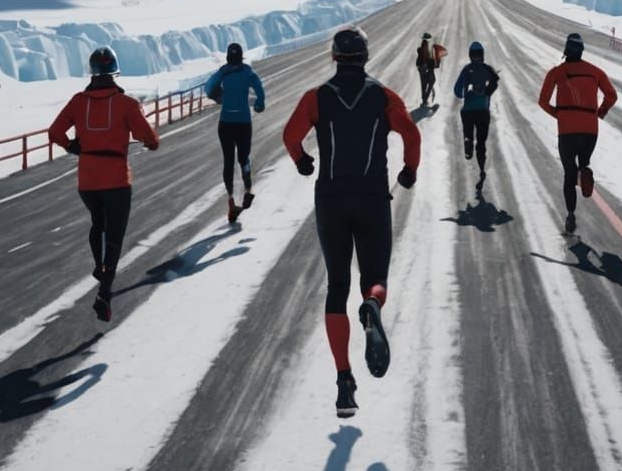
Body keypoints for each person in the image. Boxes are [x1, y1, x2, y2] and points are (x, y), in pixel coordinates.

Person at [284, 26, 422, 418]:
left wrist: (303, 160)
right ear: (366, 56)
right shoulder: (384, 97)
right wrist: (409, 170)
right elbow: (411, 136)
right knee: (374, 277)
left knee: (336, 286)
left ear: (333, 57)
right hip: (373, 197)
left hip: (330, 200)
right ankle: (372, 305)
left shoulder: (315, 98)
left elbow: (290, 136)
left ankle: (344, 383)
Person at [49, 46, 160, 322]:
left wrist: (73, 146)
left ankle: (99, 266)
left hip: (87, 180)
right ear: (115, 72)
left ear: (92, 72)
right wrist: (150, 143)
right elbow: (149, 136)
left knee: (97, 223)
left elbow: (54, 132)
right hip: (116, 180)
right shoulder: (126, 104)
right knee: (114, 236)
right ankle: (104, 293)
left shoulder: (78, 102)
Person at [537, 31, 617, 236]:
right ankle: (585, 169)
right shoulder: (595, 71)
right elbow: (611, 95)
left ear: (565, 50)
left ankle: (571, 214)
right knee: (583, 161)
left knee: (568, 174)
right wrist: (601, 111)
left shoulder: (556, 72)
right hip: (590, 129)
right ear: (581, 51)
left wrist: (558, 114)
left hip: (567, 130)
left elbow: (542, 101)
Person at [204, 42, 265, 223]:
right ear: (241, 56)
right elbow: (260, 90)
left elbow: (208, 88)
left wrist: (219, 96)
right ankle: (247, 190)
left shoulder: (223, 72)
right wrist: (260, 104)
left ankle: (231, 200)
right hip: (243, 122)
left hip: (225, 123)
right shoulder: (247, 72)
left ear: (228, 57)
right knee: (244, 158)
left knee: (228, 161)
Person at [452, 41, 500, 190]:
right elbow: (495, 82)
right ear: (482, 54)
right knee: (481, 143)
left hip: (467, 111)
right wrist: (485, 92)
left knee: (469, 133)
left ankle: (468, 139)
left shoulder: (466, 70)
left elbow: (457, 91)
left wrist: (467, 92)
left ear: (470, 55)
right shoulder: (488, 69)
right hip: (483, 111)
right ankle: (481, 168)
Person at [414, 32, 447, 108]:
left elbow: (421, 60)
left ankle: (424, 100)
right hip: (425, 68)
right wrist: (433, 62)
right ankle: (425, 100)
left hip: (423, 69)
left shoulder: (424, 46)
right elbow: (426, 59)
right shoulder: (425, 47)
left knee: (424, 84)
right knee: (429, 82)